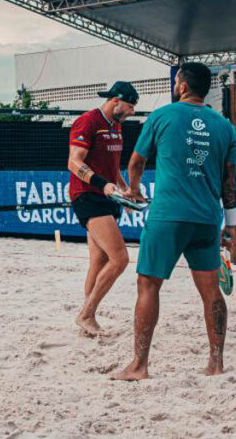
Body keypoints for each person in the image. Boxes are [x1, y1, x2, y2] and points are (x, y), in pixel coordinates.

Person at [113, 62, 236, 381]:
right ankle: (216, 363)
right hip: (207, 218)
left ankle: (139, 365)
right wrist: (232, 224)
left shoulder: (162, 115)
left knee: (148, 284)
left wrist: (134, 191)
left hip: (168, 214)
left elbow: (136, 162)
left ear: (182, 86)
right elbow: (231, 179)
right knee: (211, 289)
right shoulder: (225, 126)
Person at [66, 80, 139, 336]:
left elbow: (112, 167)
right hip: (87, 195)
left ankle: (88, 318)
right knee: (120, 259)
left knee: (99, 262)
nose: (132, 112)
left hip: (106, 196)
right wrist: (103, 184)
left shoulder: (116, 125)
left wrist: (126, 190)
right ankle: (86, 314)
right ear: (116, 101)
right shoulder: (88, 121)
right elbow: (74, 162)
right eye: (130, 106)